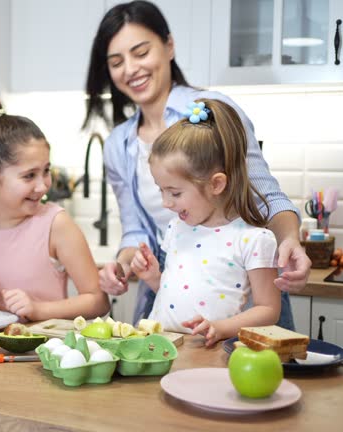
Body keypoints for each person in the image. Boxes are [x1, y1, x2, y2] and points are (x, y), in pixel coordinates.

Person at [83, 0, 311, 327]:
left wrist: (289, 240)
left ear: (169, 45)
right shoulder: (119, 144)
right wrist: (121, 265)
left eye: (141, 52)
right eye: (117, 62)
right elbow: (136, 233)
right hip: (170, 291)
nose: (130, 69)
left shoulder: (212, 111)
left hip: (239, 291)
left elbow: (266, 197)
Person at [130, 99, 281, 346]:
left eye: (175, 193)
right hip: (162, 346)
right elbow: (177, 299)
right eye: (161, 191)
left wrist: (221, 328)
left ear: (216, 184)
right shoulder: (177, 228)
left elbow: (268, 310)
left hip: (210, 355)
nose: (166, 203)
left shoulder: (253, 239)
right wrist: (153, 277)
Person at [0, 99, 110, 321]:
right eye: (29, 175)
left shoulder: (56, 224)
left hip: (42, 351)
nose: (43, 185)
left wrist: (38, 310)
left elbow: (98, 300)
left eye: (46, 171)